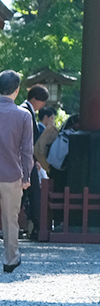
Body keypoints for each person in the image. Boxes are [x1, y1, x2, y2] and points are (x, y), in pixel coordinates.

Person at [0, 70, 34, 273]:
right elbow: (26, 150)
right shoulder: (23, 115)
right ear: (17, 90)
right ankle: (10, 259)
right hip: (12, 175)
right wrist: (27, 176)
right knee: (10, 219)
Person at [19, 84, 48, 239]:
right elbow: (28, 139)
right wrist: (34, 158)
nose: (42, 106)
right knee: (34, 191)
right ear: (35, 99)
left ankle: (34, 227)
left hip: (27, 158)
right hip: (27, 159)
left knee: (24, 195)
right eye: (42, 102)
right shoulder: (25, 112)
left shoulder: (25, 110)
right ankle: (38, 228)